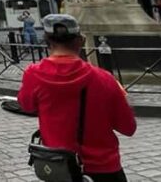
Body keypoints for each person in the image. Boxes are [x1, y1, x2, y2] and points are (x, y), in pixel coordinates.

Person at [18, 14, 136, 182]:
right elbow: (128, 127)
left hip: (60, 168)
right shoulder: (104, 78)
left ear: (47, 41)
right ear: (80, 41)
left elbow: (27, 105)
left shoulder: (33, 75)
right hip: (104, 168)